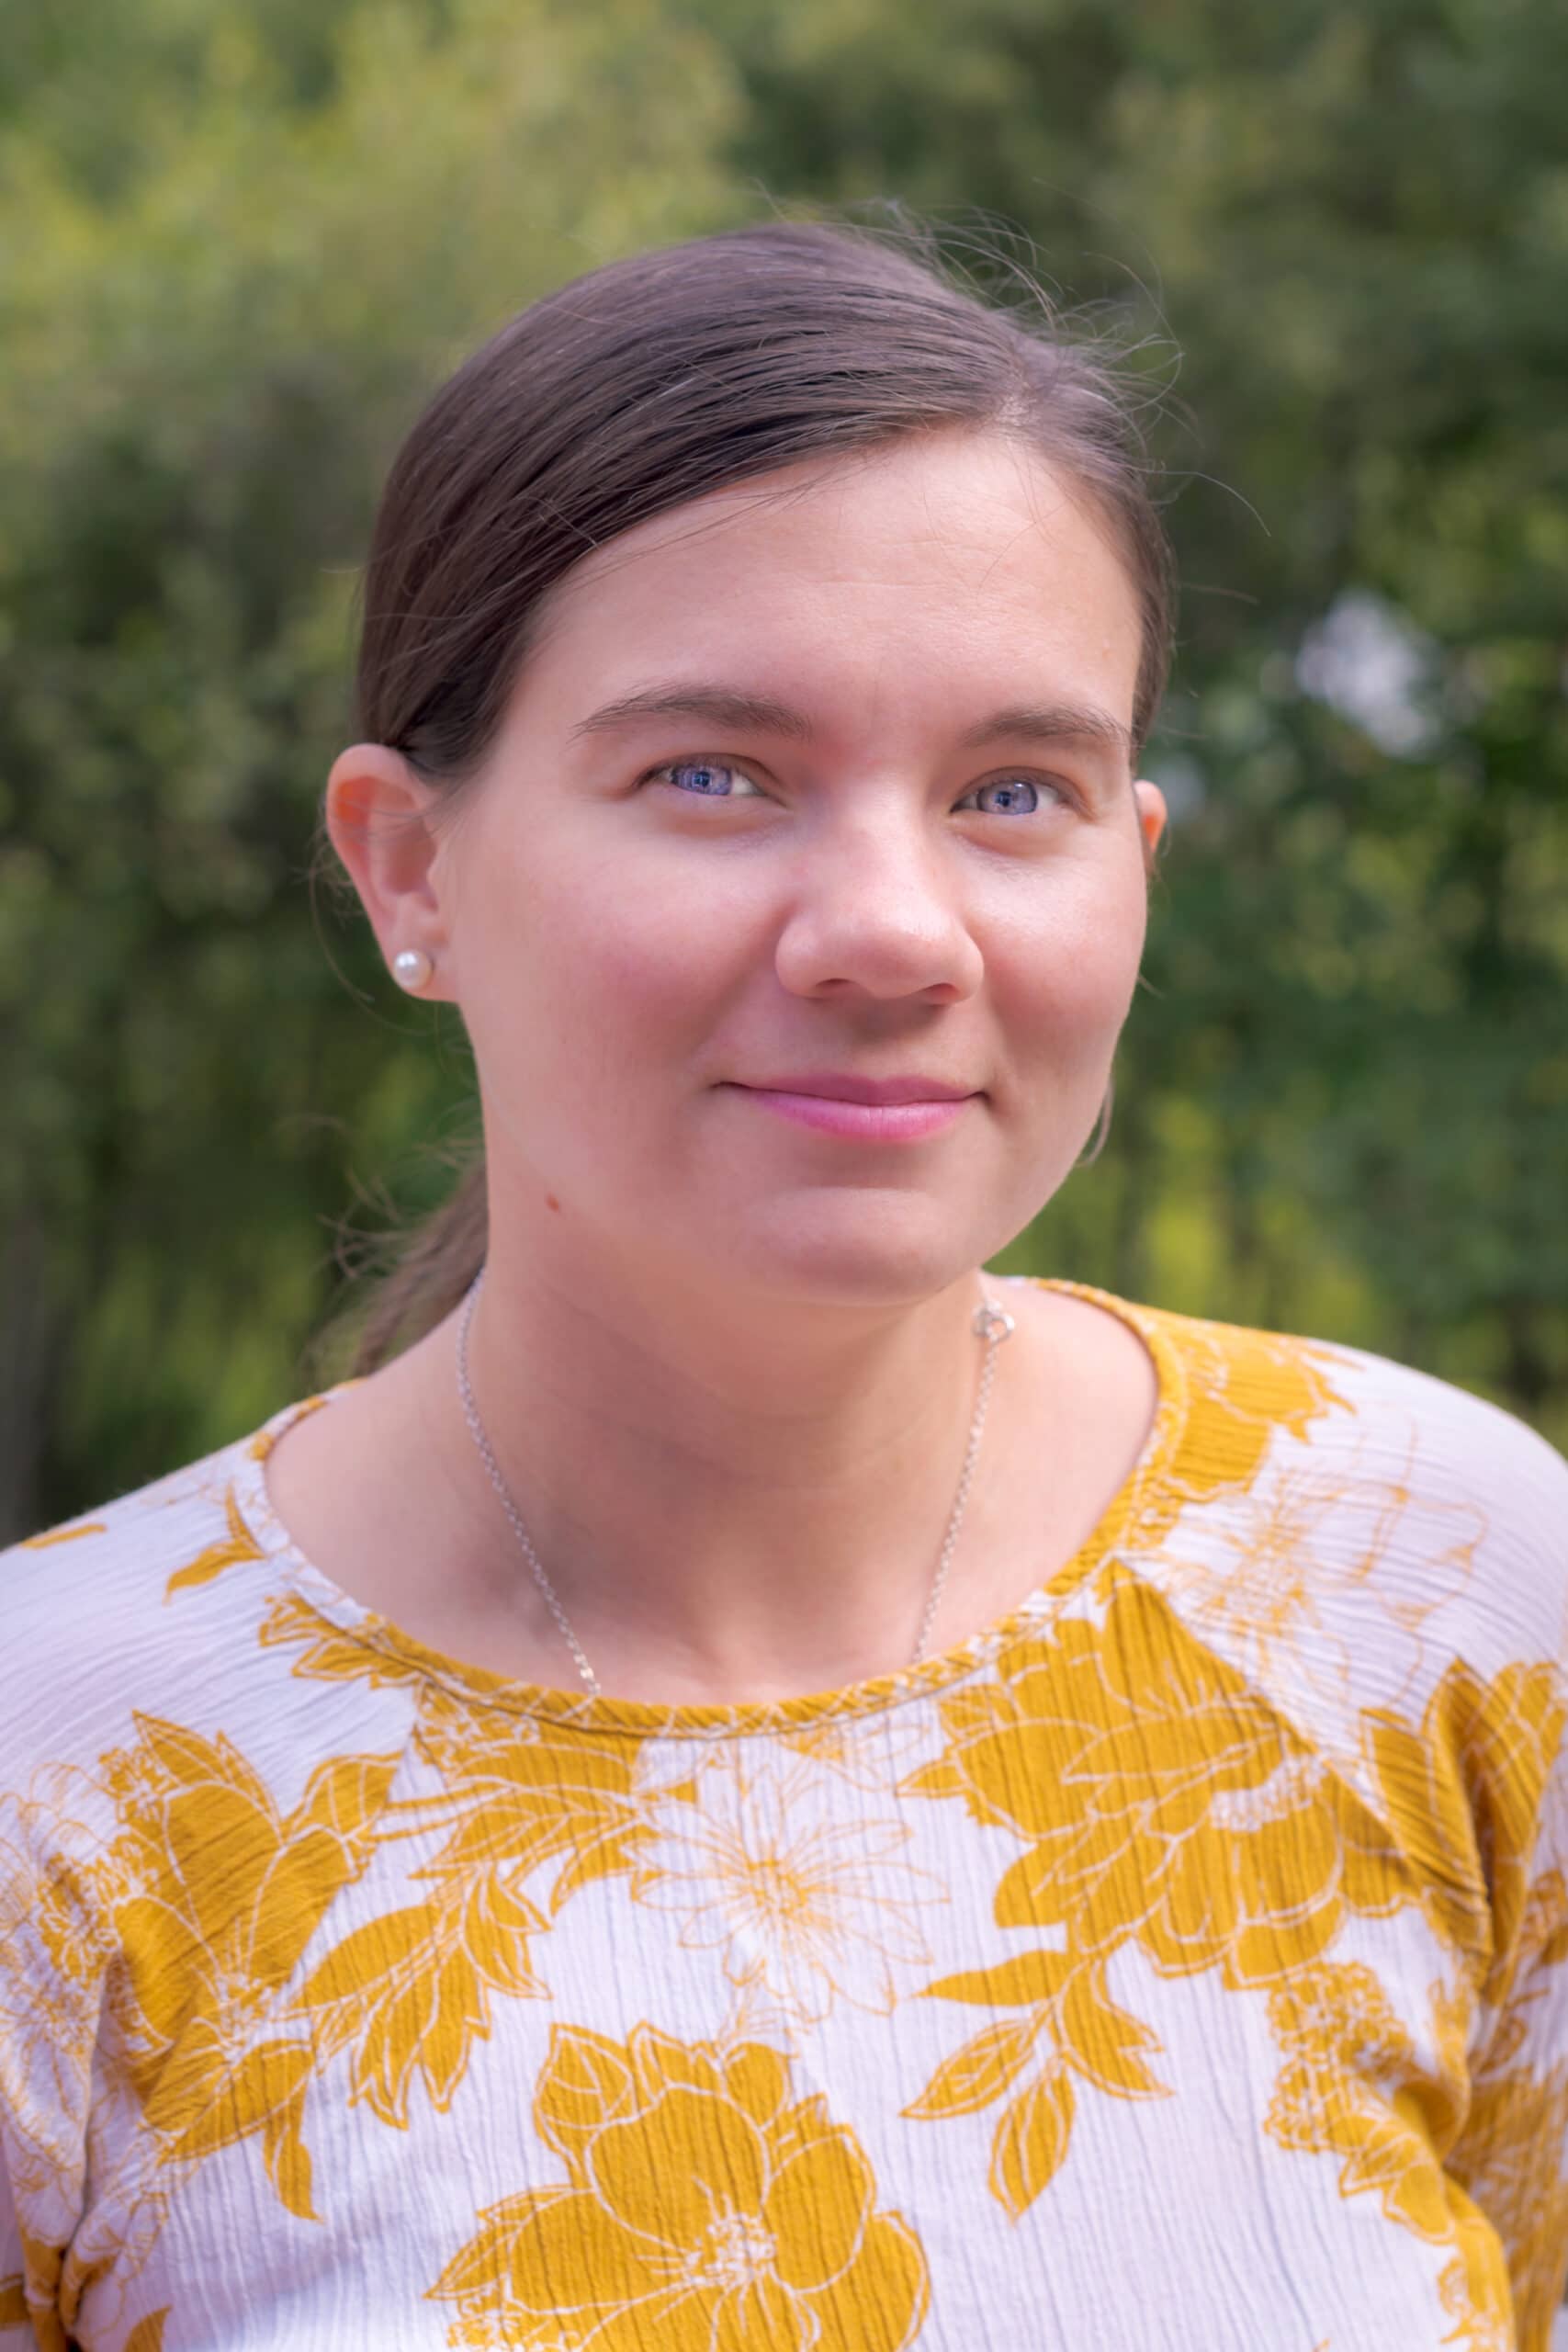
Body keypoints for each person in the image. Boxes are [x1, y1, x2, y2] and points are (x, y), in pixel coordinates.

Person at [2, 220, 1565, 2352]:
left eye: (1012, 791)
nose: (891, 929)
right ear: (411, 865)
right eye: (712, 775)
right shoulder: (64, 1788)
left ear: (1136, 865)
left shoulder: (1432, 1584)